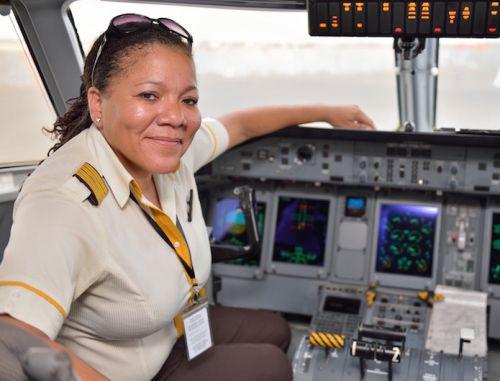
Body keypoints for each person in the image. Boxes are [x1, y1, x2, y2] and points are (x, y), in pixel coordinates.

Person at [0, 13, 375, 381]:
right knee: (273, 366)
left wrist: (329, 112)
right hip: (131, 371)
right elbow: (13, 337)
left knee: (277, 330)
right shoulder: (62, 201)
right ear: (98, 104)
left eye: (189, 100)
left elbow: (240, 125)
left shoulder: (170, 153)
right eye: (149, 95)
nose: (176, 118)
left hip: (170, 328)